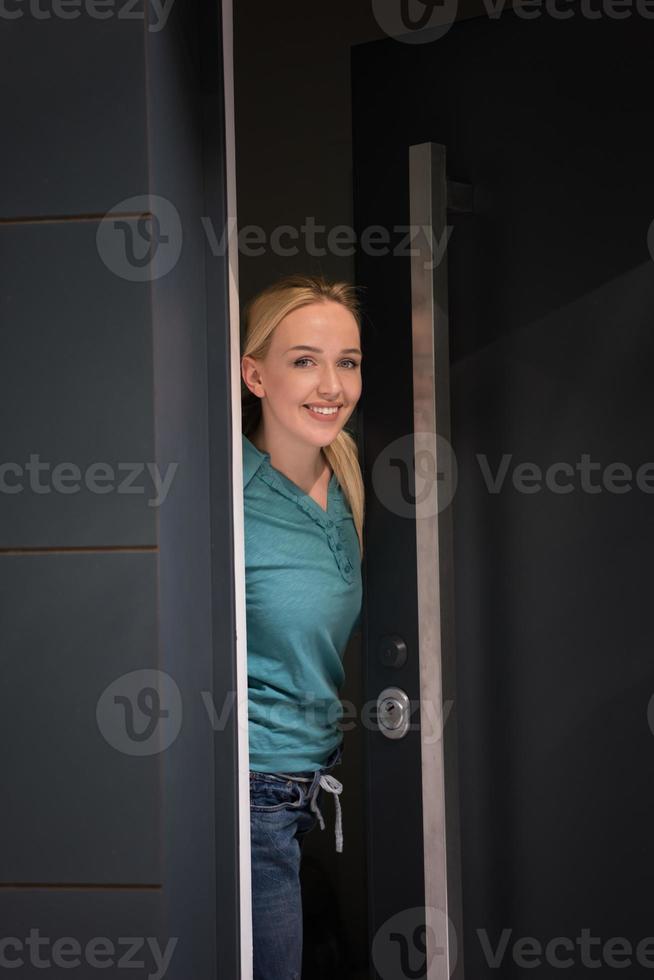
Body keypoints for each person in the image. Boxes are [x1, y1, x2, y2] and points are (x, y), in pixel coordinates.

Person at [240, 273, 365, 980]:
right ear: (254, 374)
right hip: (254, 789)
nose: (331, 384)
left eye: (346, 361)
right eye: (303, 360)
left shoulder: (348, 477)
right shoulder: (228, 493)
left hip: (308, 784)